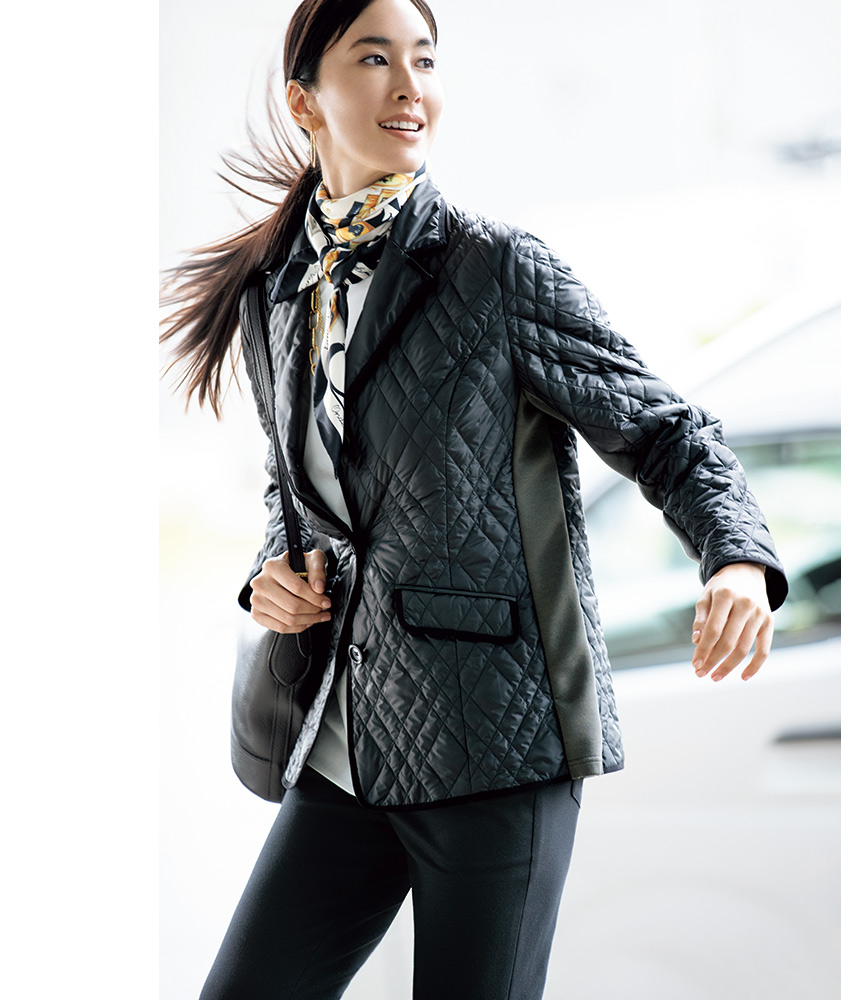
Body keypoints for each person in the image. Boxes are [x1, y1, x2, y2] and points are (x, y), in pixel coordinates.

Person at [161, 1, 789, 997]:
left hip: (498, 751)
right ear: (305, 101)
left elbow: (667, 431)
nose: (409, 87)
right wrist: (271, 576)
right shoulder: (273, 292)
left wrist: (738, 559)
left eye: (424, 60)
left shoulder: (497, 269)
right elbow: (300, 486)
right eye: (374, 59)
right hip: (348, 746)